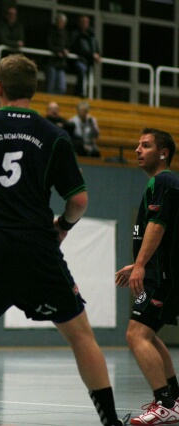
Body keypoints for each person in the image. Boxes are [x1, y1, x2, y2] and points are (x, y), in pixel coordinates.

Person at [0, 53, 124, 426]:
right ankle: (111, 422)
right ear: (34, 90)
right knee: (81, 337)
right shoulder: (54, 136)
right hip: (37, 246)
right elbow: (79, 201)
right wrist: (63, 227)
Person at [115, 128, 179, 425]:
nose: (138, 150)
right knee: (148, 334)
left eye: (146, 145)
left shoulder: (164, 181)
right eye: (138, 145)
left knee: (136, 334)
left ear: (163, 153)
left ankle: (166, 404)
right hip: (158, 269)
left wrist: (141, 264)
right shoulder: (161, 183)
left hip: (161, 275)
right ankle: (174, 397)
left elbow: (158, 225)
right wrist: (139, 264)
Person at [70, 15, 101, 98]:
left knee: (86, 76)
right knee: (81, 71)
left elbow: (95, 47)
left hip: (89, 62)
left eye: (87, 22)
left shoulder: (91, 35)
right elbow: (78, 48)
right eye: (83, 22)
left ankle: (80, 93)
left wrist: (98, 54)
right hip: (79, 59)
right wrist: (92, 54)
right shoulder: (76, 34)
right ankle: (79, 93)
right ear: (80, 23)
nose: (85, 24)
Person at [45, 13, 70, 95]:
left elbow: (68, 46)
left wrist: (66, 51)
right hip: (51, 62)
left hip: (61, 63)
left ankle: (55, 101)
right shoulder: (51, 32)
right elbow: (49, 45)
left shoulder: (66, 34)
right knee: (50, 86)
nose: (61, 23)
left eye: (62, 22)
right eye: (60, 21)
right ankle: (49, 101)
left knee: (62, 88)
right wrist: (58, 51)